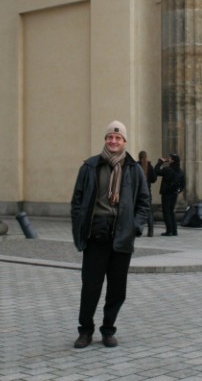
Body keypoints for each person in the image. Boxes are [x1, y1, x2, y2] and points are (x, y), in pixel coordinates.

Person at [70, 120, 149, 349]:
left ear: (124, 141)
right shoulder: (90, 166)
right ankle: (85, 331)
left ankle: (108, 330)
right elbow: (77, 201)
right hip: (96, 233)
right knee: (90, 287)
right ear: (105, 139)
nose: (113, 141)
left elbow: (144, 202)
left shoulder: (134, 169)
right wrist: (79, 226)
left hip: (122, 235)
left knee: (117, 289)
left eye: (118, 138)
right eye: (110, 137)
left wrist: (135, 227)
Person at [155, 153, 184, 236]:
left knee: (166, 212)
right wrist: (177, 191)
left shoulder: (168, 170)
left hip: (166, 193)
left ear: (173, 160)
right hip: (174, 194)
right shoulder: (180, 171)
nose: (169, 159)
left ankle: (169, 230)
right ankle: (174, 230)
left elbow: (156, 171)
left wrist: (160, 162)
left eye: (170, 158)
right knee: (171, 211)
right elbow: (182, 185)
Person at [137, 151, 158, 236]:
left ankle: (138, 230)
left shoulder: (136, 166)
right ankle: (150, 231)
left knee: (137, 211)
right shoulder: (150, 166)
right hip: (147, 191)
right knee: (149, 211)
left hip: (138, 191)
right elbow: (154, 179)